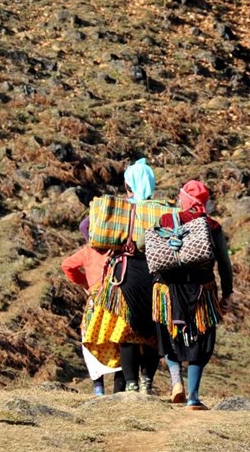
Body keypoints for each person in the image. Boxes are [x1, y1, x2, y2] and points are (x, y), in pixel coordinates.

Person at [153, 181, 233, 410]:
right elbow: (224, 264)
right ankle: (193, 397)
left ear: (183, 199)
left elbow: (147, 246)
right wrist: (227, 293)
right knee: (201, 341)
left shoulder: (166, 220)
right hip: (202, 292)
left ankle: (176, 381)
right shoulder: (212, 226)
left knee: (170, 336)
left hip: (168, 291)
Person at [109, 158, 161, 394]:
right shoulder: (163, 211)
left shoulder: (121, 210)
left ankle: (130, 384)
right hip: (157, 276)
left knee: (127, 331)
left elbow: (89, 228)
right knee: (153, 330)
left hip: (126, 275)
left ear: (128, 185)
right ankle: (147, 382)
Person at [61, 217, 123, 396]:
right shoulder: (116, 249)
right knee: (118, 339)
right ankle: (120, 390)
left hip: (95, 303)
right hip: (115, 300)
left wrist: (85, 283)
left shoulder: (88, 251)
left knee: (91, 339)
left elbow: (67, 265)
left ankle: (98, 388)